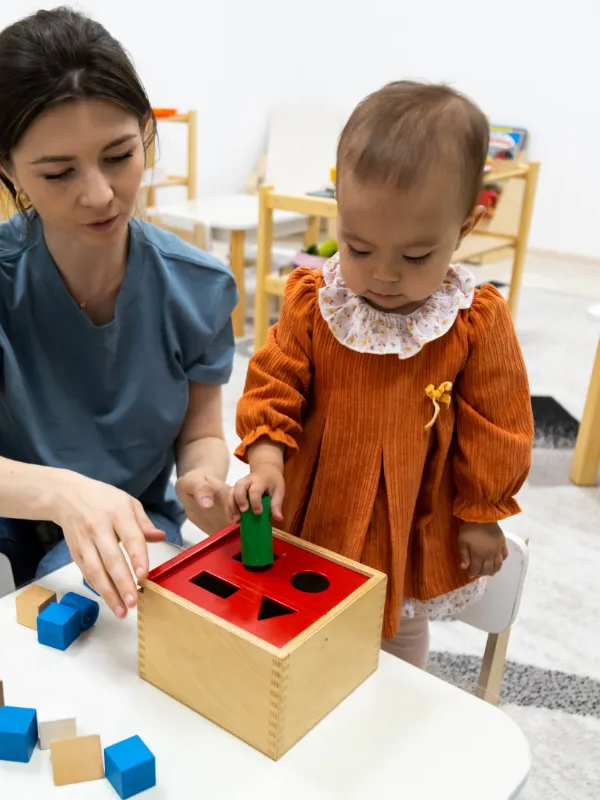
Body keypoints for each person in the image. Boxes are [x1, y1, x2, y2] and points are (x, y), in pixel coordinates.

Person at [0, 7, 239, 621]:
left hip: (133, 510)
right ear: (5, 166)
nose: (100, 195)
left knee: (77, 591)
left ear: (145, 131)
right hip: (11, 506)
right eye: (59, 173)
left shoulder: (198, 286)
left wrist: (203, 480)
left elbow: (202, 432)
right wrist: (64, 495)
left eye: (119, 155)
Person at [231, 81, 534, 669]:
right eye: (358, 246)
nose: (383, 275)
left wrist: (483, 512)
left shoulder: (475, 321)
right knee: (300, 615)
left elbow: (497, 424)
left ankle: (391, 709)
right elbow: (274, 380)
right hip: (320, 502)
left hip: (410, 512)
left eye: (416, 256)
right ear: (338, 211)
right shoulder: (315, 301)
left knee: (396, 631)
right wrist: (266, 458)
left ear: (465, 228)